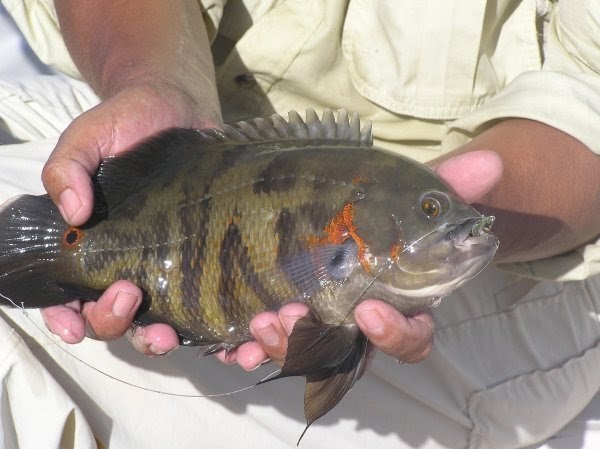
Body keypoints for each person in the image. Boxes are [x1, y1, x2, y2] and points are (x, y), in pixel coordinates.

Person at [0, 1, 598, 448]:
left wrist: (463, 204)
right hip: (142, 101)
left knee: (23, 360)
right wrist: (156, 82)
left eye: (430, 215)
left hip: (538, 261)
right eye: (431, 215)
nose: (441, 222)